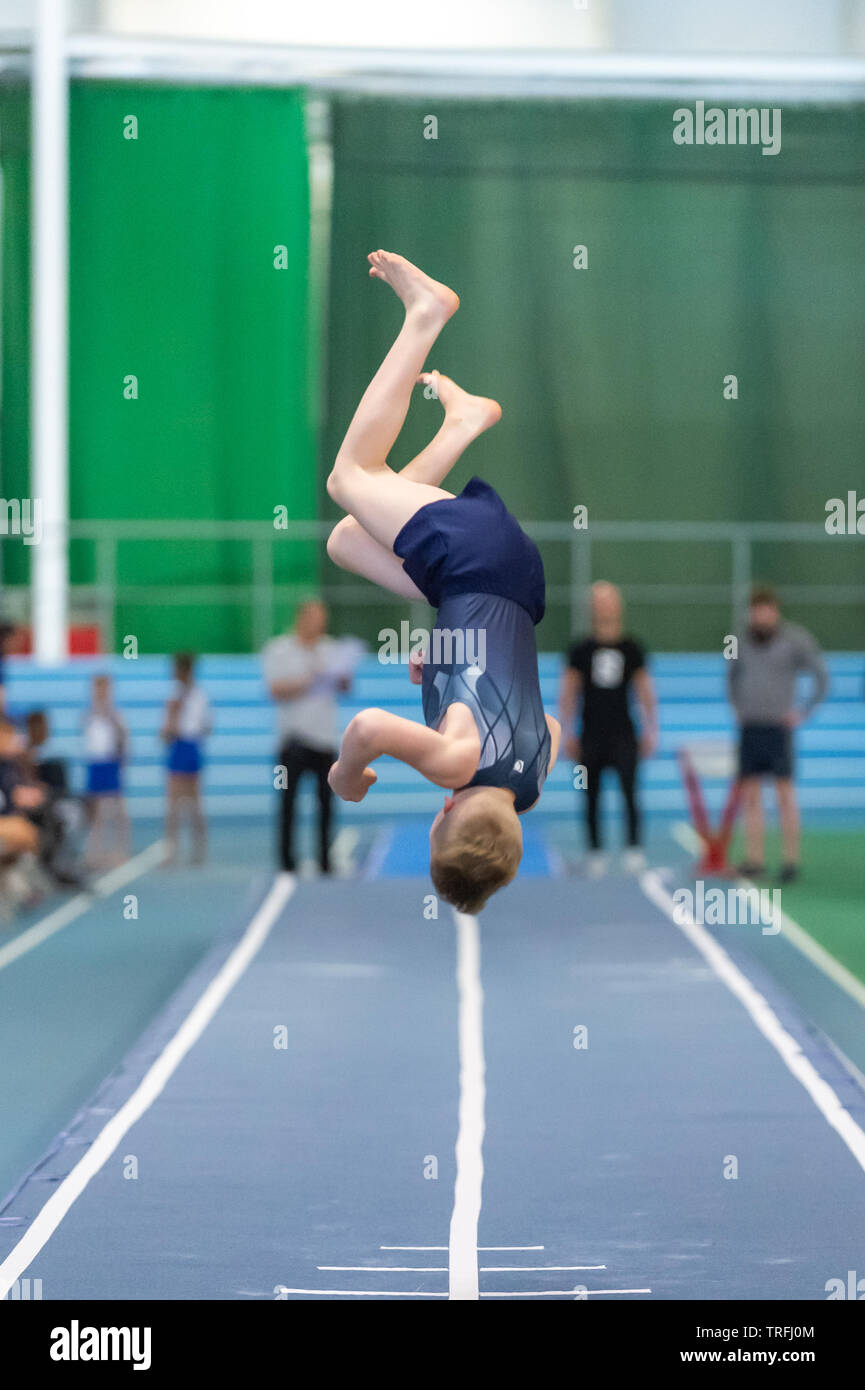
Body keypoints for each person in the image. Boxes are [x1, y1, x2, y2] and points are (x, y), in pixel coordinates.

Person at [324, 249, 561, 914]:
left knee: (348, 538)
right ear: (438, 823)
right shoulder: (454, 765)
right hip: (477, 567)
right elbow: (368, 727)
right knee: (350, 479)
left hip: (503, 584)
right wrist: (347, 775)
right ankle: (425, 315)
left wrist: (445, 665)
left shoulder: (535, 772)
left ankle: (462, 423)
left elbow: (523, 697)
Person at [728, 585, 829, 882]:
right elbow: (730, 675)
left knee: (785, 794)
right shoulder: (736, 639)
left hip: (778, 727)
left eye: (766, 610)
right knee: (750, 795)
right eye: (756, 611)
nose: (761, 616)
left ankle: (790, 861)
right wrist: (737, 707)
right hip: (750, 726)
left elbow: (821, 675)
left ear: (775, 611)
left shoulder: (796, 639)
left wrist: (804, 710)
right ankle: (755, 859)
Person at [559, 582, 658, 875]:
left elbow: (644, 689)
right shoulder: (580, 649)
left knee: (630, 792)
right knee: (590, 794)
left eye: (609, 601)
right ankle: (595, 851)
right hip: (590, 733)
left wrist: (651, 728)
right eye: (599, 601)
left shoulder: (632, 647)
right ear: (592, 608)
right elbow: (569, 692)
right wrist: (567, 731)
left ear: (618, 606)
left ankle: (633, 849)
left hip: (624, 732)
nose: (604, 607)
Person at [262, 600, 351, 875]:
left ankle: (325, 859)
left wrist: (338, 676)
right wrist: (310, 680)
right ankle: (287, 861)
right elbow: (275, 689)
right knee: (288, 803)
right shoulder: (279, 649)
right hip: (293, 741)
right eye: (315, 617)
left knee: (326, 803)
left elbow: (345, 686)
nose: (320, 624)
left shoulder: (330, 648)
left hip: (324, 740)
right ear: (302, 618)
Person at [161, 653, 212, 864]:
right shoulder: (173, 695)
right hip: (178, 746)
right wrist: (172, 715)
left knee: (194, 802)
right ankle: (172, 850)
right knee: (172, 803)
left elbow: (207, 726)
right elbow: (165, 733)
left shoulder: (199, 696)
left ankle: (199, 849)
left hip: (191, 746)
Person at [82, 673, 130, 868]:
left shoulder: (114, 715)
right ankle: (95, 850)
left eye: (103, 688)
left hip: (110, 762)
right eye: (97, 688)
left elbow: (123, 737)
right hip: (95, 762)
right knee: (95, 811)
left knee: (118, 808)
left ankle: (122, 849)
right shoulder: (89, 714)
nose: (100, 692)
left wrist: (122, 758)